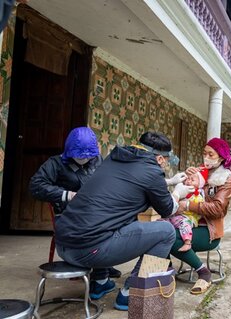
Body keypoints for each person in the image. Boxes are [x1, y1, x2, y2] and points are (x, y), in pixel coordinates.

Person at [53, 131, 193, 311]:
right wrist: (177, 193)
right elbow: (167, 209)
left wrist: (167, 181)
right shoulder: (152, 170)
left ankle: (100, 282)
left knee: (118, 218)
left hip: (63, 245)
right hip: (87, 252)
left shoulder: (115, 157)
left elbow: (135, 180)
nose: (165, 163)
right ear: (160, 159)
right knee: (165, 232)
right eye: (166, 160)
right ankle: (132, 293)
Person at [29, 126, 122, 279]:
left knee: (124, 220)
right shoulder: (56, 164)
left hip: (95, 210)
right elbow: (36, 186)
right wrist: (67, 195)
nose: (84, 159)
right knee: (99, 227)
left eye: (88, 157)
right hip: (69, 215)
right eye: (80, 156)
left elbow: (108, 178)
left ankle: (105, 263)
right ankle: (99, 273)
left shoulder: (96, 159)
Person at [171, 137, 231, 295]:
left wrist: (189, 205)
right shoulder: (200, 172)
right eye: (204, 153)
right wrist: (187, 178)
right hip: (186, 222)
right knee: (159, 230)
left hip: (207, 230)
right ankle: (165, 272)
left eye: (211, 154)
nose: (206, 157)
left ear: (221, 157)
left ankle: (203, 273)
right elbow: (186, 191)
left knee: (169, 237)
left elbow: (218, 209)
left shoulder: (225, 179)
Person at [167, 168, 209, 252]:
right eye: (187, 179)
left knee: (184, 224)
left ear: (200, 184)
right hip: (177, 217)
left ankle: (187, 242)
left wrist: (187, 205)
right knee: (163, 222)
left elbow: (199, 208)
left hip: (189, 218)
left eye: (192, 180)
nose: (189, 181)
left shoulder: (199, 196)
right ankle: (165, 263)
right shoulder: (183, 191)